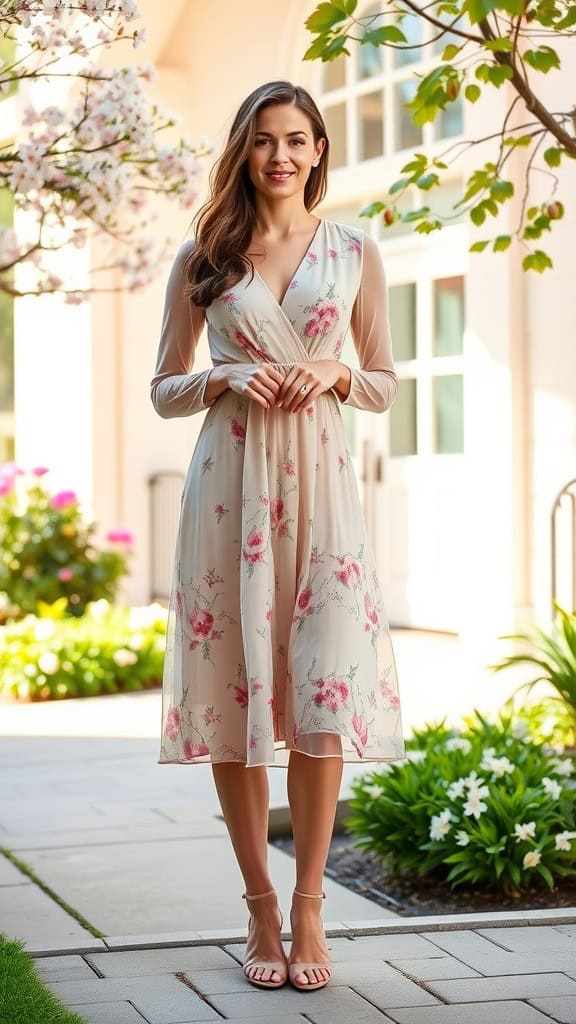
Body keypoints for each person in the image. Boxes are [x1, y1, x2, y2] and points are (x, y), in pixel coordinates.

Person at [150, 80, 406, 993]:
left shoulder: (352, 253)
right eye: (264, 141)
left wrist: (335, 367)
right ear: (244, 151)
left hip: (327, 500)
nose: (281, 156)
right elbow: (164, 386)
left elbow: (381, 380)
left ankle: (308, 908)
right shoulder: (206, 257)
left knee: (323, 695)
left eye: (297, 139)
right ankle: (258, 901)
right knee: (237, 698)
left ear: (319, 149)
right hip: (231, 497)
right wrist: (224, 380)